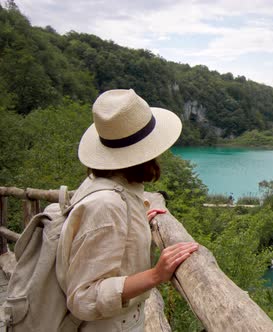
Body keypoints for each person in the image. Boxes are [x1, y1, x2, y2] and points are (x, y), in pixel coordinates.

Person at [56, 89, 199, 331]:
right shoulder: (106, 206)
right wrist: (156, 275)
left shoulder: (102, 185)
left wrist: (135, 223)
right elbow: (83, 297)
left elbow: (106, 242)